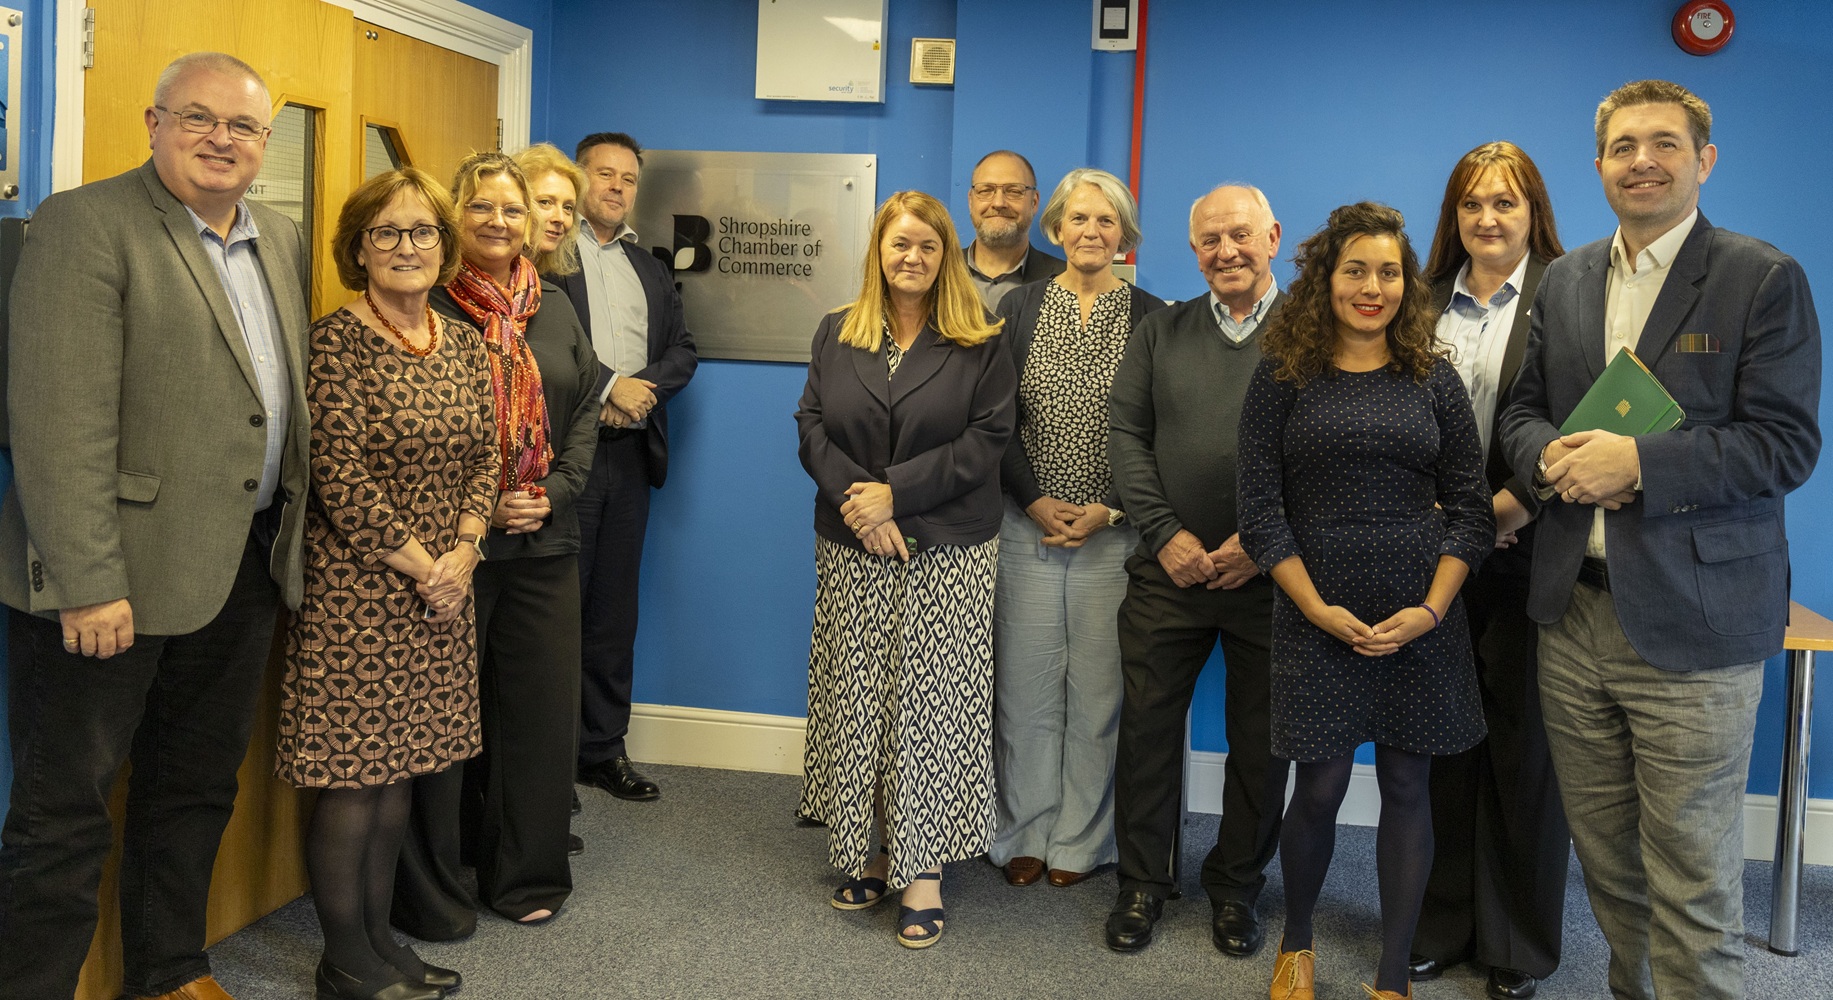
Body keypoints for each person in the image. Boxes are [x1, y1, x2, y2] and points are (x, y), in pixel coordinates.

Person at [1499, 80, 1821, 1000]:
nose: (1642, 159)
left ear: (1702, 161)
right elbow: (1522, 413)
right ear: (1598, 165)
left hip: (1697, 626)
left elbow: (1783, 444)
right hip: (1571, 618)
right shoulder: (1562, 278)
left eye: (1665, 144)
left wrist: (1637, 465)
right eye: (1622, 146)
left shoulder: (1761, 276)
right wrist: (1551, 456)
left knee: (1691, 875)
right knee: (1607, 866)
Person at [0, 52, 310, 1000]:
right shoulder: (86, 224)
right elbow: (57, 420)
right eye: (198, 118)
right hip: (112, 581)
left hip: (242, 568)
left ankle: (170, 971)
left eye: (244, 126)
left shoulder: (281, 237)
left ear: (266, 142)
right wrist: (89, 583)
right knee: (64, 812)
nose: (222, 140)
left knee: (194, 788)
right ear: (154, 123)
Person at [1237, 202, 1494, 1000]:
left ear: (1405, 284)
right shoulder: (1282, 378)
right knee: (1316, 787)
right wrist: (1314, 609)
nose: (1372, 287)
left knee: (1408, 785)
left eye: (1388, 272)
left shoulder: (1432, 376)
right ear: (1326, 278)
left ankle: (1392, 969)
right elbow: (1258, 514)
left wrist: (1431, 610)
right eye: (1355, 270)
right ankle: (1298, 941)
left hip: (1417, 616)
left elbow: (1471, 509)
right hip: (1315, 613)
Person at [275, 167, 497, 1000]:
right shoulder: (333, 343)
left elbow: (487, 456)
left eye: (423, 232)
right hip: (359, 595)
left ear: (444, 246)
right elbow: (339, 476)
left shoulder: (465, 343)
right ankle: (345, 959)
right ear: (358, 248)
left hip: (445, 589)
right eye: (387, 233)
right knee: (354, 779)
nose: (407, 248)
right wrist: (422, 564)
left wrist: (467, 551)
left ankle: (381, 945)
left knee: (402, 771)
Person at [793, 190, 1015, 949]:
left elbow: (987, 441)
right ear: (877, 253)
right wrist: (862, 505)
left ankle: (923, 872)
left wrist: (896, 497)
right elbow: (812, 426)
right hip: (853, 545)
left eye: (925, 245)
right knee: (860, 704)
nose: (911, 257)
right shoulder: (836, 332)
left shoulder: (981, 340)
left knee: (928, 710)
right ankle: (872, 850)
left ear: (944, 254)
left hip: (946, 549)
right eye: (898, 245)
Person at [392, 151, 602, 940]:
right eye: (481, 207)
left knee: (538, 718)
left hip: (545, 542)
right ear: (456, 215)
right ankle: (432, 887)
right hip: (454, 552)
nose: (499, 222)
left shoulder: (554, 307)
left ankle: (525, 874)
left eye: (512, 210)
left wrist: (550, 494)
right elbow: (418, 433)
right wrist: (485, 508)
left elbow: (582, 410)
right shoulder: (428, 304)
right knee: (441, 726)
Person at [1104, 184, 1290, 958]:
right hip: (1166, 572)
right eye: (1210, 240)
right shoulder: (1160, 330)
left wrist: (1263, 542)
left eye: (1240, 235)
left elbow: (1325, 449)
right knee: (1146, 733)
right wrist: (1167, 533)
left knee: (1259, 741)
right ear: (1193, 251)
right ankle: (1143, 883)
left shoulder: (1313, 333)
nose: (1226, 251)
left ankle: (1236, 888)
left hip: (1274, 579)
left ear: (1272, 236)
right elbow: (1126, 436)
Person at [1410, 141, 1569, 1000]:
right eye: (1472, 204)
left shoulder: (1569, 292)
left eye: (1505, 203)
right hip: (1431, 556)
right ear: (1454, 216)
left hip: (1523, 549)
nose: (1487, 219)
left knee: (1521, 751)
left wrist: (1503, 511)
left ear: (1531, 211)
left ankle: (1514, 946)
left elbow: (1573, 423)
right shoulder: (1419, 300)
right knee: (1440, 745)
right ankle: (1438, 926)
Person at [988, 168, 1164, 889]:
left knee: (1098, 696)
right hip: (1025, 528)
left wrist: (1112, 509)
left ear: (1124, 234)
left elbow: (1160, 432)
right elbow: (992, 421)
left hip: (1112, 535)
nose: (1090, 232)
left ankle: (1081, 841)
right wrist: (1033, 501)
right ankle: (1025, 831)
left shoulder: (1155, 317)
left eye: (1106, 221)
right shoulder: (1016, 308)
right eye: (1078, 219)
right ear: (1055, 227)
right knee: (1024, 692)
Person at [556, 131, 698, 803]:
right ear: (578, 178)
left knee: (614, 613)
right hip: (566, 460)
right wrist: (611, 386)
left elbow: (683, 349)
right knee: (558, 611)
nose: (615, 186)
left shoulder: (648, 266)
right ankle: (548, 765)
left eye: (627, 179)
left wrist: (641, 388)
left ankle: (602, 749)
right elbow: (544, 350)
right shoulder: (546, 258)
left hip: (632, 459)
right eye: (603, 174)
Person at [964, 150, 1067, 310]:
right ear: (971, 201)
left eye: (1013, 191)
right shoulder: (938, 271)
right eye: (986, 190)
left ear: (1034, 202)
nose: (998, 203)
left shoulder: (1065, 281)